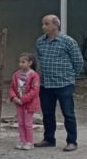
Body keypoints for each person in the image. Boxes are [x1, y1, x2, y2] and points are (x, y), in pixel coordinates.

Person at [34, 14, 83, 151]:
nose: (44, 26)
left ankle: (72, 141)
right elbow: (40, 59)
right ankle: (49, 139)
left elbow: (78, 61)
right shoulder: (40, 42)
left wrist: (71, 77)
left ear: (56, 25)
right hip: (46, 84)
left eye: (47, 23)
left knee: (68, 113)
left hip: (64, 84)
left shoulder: (68, 41)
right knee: (47, 113)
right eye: (43, 23)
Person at [9, 52, 40, 150]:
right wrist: (14, 98)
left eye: (23, 62)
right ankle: (22, 140)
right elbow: (12, 88)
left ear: (30, 63)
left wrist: (23, 99)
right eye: (20, 62)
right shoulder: (16, 75)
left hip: (29, 104)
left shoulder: (34, 76)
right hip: (19, 103)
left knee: (28, 123)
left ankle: (30, 142)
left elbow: (34, 91)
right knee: (21, 123)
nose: (21, 64)